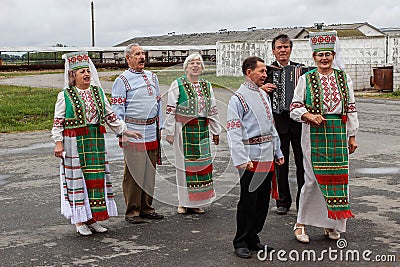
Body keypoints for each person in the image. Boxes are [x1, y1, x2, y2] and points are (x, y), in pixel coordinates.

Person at [52, 51, 143, 236]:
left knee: (96, 179)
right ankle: (79, 220)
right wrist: (58, 143)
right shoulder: (65, 95)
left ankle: (92, 218)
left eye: (88, 71)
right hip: (74, 141)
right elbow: (58, 121)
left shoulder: (98, 92)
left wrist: (125, 130)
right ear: (73, 75)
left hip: (95, 140)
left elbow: (110, 116)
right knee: (78, 179)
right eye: (82, 72)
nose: (86, 74)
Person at [290, 31, 359, 243]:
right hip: (314, 133)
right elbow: (295, 107)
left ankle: (331, 224)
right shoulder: (306, 79)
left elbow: (351, 107)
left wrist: (352, 136)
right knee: (312, 180)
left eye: (328, 54)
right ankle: (300, 223)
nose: (324, 58)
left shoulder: (343, 78)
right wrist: (309, 115)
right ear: (314, 58)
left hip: (338, 132)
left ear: (333, 55)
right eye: (320, 55)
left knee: (338, 180)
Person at [227, 56, 284, 258]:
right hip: (250, 157)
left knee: (262, 200)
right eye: (261, 71)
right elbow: (233, 132)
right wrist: (241, 159)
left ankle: (253, 237)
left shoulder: (263, 95)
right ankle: (240, 240)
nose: (265, 74)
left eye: (265, 71)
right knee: (248, 200)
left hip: (267, 155)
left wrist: (278, 151)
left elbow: (271, 126)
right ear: (249, 72)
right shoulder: (237, 99)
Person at [111, 43, 164, 224]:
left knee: (149, 171)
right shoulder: (122, 80)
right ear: (128, 58)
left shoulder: (152, 77)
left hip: (151, 131)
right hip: (133, 131)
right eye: (137, 54)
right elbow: (117, 107)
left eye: (143, 54)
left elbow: (159, 103)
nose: (142, 57)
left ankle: (147, 208)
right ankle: (132, 211)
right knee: (134, 172)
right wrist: (122, 132)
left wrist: (160, 127)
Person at [164, 53, 221, 214]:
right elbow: (170, 109)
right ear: (186, 67)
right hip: (183, 130)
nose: (195, 66)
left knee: (201, 166)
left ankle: (197, 202)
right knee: (184, 167)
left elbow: (213, 109)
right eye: (191, 63)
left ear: (202, 68)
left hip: (202, 129)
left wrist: (215, 130)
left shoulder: (206, 85)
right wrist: (169, 131)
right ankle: (183, 202)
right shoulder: (178, 84)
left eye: (198, 63)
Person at [262, 34, 305, 215]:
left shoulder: (301, 71)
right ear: (273, 50)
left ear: (290, 49)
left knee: (303, 163)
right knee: (281, 163)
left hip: (299, 123)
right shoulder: (267, 71)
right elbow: (252, 89)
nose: (283, 50)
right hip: (277, 124)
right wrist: (262, 88)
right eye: (279, 47)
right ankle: (282, 201)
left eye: (286, 47)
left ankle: (303, 200)